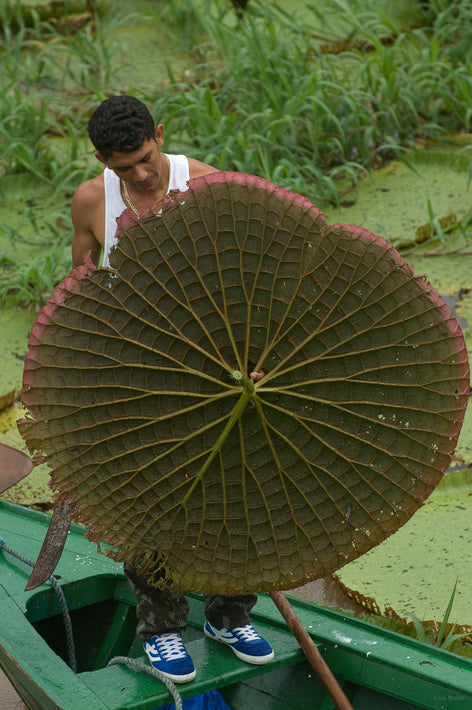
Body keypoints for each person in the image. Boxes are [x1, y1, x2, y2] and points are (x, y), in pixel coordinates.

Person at [71, 95, 274, 683]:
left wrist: (260, 357)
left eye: (144, 158)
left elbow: (258, 277)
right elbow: (81, 293)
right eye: (122, 166)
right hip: (143, 377)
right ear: (101, 159)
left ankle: (229, 613)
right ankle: (161, 629)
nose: (138, 174)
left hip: (221, 371)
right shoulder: (92, 201)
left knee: (240, 500)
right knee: (150, 504)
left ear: (160, 135)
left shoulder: (210, 186)